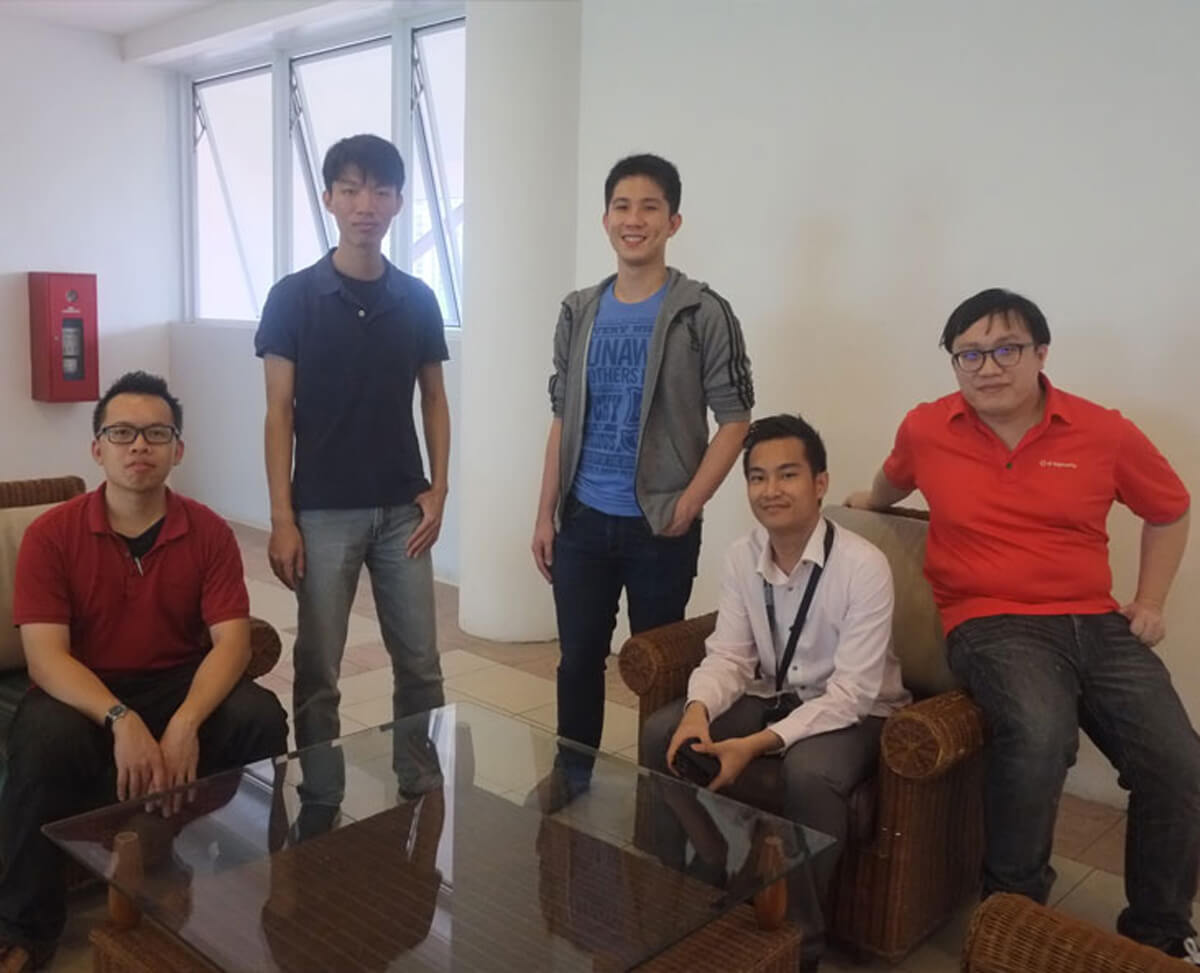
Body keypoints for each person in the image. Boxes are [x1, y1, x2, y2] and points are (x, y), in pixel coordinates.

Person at [846, 287, 1200, 962]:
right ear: (953, 363)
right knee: (1039, 737)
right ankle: (1009, 913)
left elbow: (1171, 507)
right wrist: (869, 502)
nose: (987, 366)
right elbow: (891, 480)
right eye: (968, 353)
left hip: (1097, 621)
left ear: (1041, 353)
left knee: (1180, 761)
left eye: (1005, 348)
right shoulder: (927, 427)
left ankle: (1158, 932)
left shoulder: (1104, 430)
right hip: (991, 621)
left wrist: (1149, 600)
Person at [0, 371, 287, 971]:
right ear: (97, 447)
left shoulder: (207, 530)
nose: (139, 446)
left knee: (258, 716)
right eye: (122, 432)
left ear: (177, 449)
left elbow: (232, 644)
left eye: (157, 433)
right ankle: (26, 929)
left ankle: (234, 878)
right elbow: (46, 656)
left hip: (177, 680)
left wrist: (184, 722)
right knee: (42, 737)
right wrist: (120, 719)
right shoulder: (53, 534)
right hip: (84, 686)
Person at [642, 414, 909, 968]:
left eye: (787, 475)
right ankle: (705, 868)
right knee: (661, 734)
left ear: (820, 483)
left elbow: (852, 693)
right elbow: (731, 656)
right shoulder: (743, 555)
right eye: (758, 477)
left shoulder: (864, 567)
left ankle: (800, 941)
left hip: (856, 713)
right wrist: (697, 712)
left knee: (809, 774)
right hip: (774, 693)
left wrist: (756, 743)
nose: (771, 491)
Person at [530, 153, 754, 803]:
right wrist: (545, 511)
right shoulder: (579, 311)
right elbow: (561, 418)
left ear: (673, 221)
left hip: (660, 523)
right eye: (622, 207)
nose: (635, 219)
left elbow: (736, 418)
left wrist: (689, 502)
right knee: (577, 661)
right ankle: (572, 773)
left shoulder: (701, 312)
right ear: (605, 220)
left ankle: (663, 787)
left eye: (650, 206)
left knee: (660, 666)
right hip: (582, 518)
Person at [255, 134, 451, 828]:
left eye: (381, 190)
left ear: (399, 201)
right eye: (351, 189)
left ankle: (419, 782)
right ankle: (323, 796)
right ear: (330, 198)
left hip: (403, 507)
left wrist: (440, 485)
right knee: (319, 667)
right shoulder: (293, 298)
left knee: (421, 661)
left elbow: (433, 396)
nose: (366, 204)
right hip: (322, 511)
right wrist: (281, 515)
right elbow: (279, 412)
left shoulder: (417, 298)